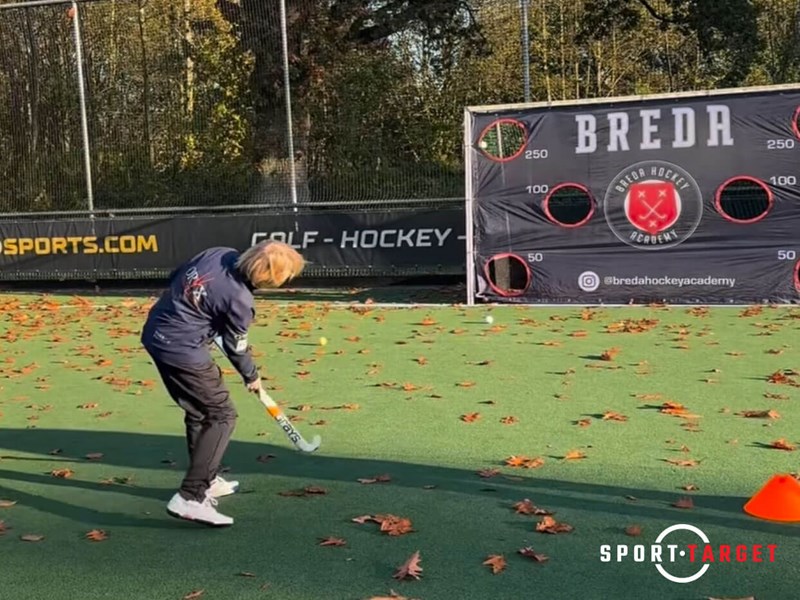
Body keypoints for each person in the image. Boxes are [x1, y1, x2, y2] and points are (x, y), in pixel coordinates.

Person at [140, 241, 305, 527]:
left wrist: (202, 313)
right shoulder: (240, 300)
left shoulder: (218, 253)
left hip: (155, 333)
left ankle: (207, 479)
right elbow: (236, 347)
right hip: (183, 350)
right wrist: (251, 375)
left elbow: (178, 275)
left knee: (199, 412)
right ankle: (191, 497)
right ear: (271, 277)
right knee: (221, 415)